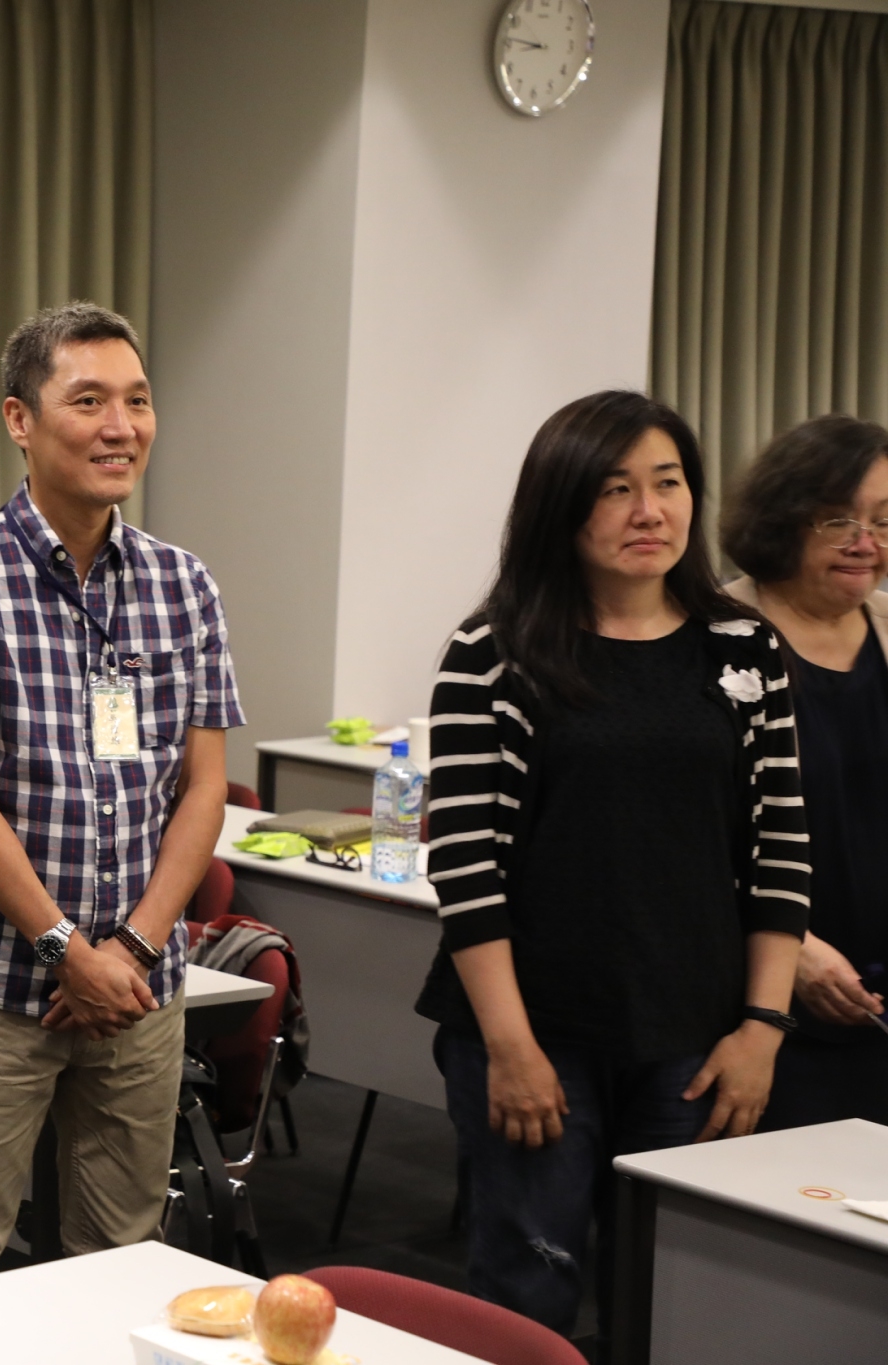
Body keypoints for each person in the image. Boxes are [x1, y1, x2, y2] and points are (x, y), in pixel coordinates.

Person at [416, 390, 809, 1338]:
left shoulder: (743, 647)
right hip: (535, 1029)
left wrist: (763, 1028)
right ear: (561, 505)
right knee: (530, 1290)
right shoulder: (494, 651)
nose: (649, 511)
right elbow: (465, 869)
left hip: (694, 1036)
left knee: (671, 1297)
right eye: (615, 489)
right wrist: (511, 1047)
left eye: (667, 484)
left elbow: (781, 852)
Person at [0, 302, 242, 1290]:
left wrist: (129, 950)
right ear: (20, 419)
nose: (119, 426)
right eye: (87, 401)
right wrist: (66, 952)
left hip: (139, 990)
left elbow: (203, 787)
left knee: (119, 1260)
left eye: (136, 400)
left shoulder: (182, 585)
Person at [720, 415, 888, 1128]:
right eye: (840, 520)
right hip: (759, 1006)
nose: (867, 543)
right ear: (784, 518)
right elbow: (687, 838)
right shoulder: (714, 637)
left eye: (884, 521)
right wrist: (797, 953)